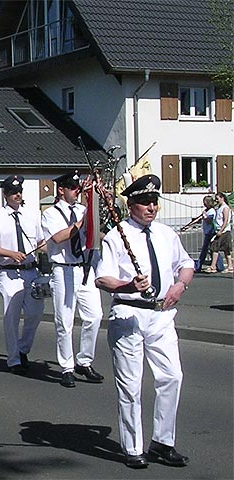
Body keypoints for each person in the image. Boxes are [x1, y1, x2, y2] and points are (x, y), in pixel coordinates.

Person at [95, 174, 193, 469]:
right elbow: (103, 278)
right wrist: (128, 285)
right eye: (144, 202)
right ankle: (133, 446)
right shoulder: (117, 236)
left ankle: (163, 442)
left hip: (162, 314)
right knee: (131, 384)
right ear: (131, 205)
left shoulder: (165, 234)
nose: (151, 207)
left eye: (154, 202)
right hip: (129, 314)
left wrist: (180, 286)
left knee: (172, 376)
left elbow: (186, 264)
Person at [41, 171, 104, 388]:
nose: (77, 192)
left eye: (79, 188)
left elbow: (93, 232)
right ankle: (67, 366)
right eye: (73, 188)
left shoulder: (82, 210)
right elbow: (58, 237)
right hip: (63, 269)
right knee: (64, 322)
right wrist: (83, 222)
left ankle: (84, 361)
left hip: (85, 269)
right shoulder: (50, 214)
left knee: (95, 316)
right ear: (62, 190)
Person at [0, 175, 45, 374]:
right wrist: (10, 254)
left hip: (30, 270)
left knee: (35, 313)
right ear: (5, 194)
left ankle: (23, 348)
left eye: (19, 192)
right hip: (8, 273)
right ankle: (14, 359)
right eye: (13, 192)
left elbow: (41, 242)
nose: (17, 195)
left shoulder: (31, 215)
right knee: (11, 317)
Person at [181, 195, 218, 272]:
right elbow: (198, 219)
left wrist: (205, 215)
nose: (204, 204)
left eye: (205, 202)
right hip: (207, 232)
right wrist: (187, 226)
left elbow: (209, 221)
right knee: (212, 249)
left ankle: (199, 266)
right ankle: (219, 265)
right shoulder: (207, 211)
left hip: (211, 232)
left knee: (206, 249)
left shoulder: (212, 211)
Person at [207, 192, 233, 273]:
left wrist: (221, 230)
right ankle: (230, 266)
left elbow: (225, 220)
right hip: (220, 230)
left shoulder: (225, 208)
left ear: (222, 198)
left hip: (223, 231)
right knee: (225, 249)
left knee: (215, 248)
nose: (216, 200)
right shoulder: (220, 208)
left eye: (217, 199)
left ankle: (213, 266)